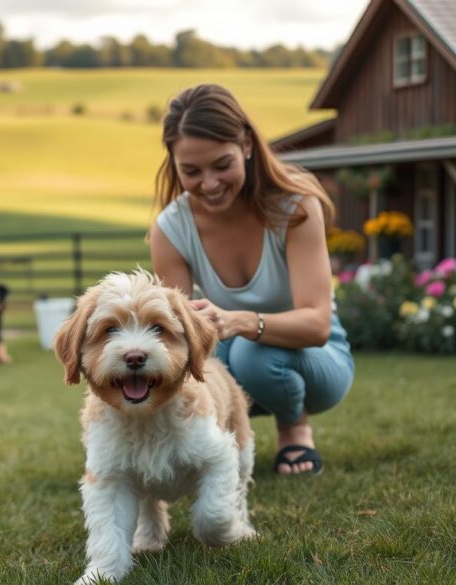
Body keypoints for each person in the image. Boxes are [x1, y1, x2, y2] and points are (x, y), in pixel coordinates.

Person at [149, 84, 354, 475]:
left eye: (221, 165)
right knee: (205, 355)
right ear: (174, 164)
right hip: (232, 362)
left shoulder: (294, 206)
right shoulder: (170, 229)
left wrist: (240, 320)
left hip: (319, 363)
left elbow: (317, 324)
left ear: (245, 145)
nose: (209, 183)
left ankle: (294, 428)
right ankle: (216, 440)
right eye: (191, 171)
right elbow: (172, 334)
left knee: (249, 351)